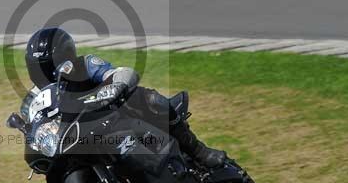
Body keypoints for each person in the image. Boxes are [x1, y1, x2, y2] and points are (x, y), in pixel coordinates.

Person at [23, 27, 227, 168]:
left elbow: (120, 73)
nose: (44, 72)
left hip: (114, 117)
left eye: (49, 64)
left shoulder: (85, 64)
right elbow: (34, 128)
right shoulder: (31, 100)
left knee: (148, 98)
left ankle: (199, 152)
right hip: (74, 140)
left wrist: (114, 88)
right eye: (38, 67)